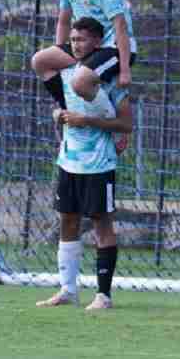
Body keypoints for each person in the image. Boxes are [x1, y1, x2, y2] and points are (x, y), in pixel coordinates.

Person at [36, 17, 132, 311]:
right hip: (69, 161)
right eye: (73, 39)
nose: (76, 44)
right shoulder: (66, 73)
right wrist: (60, 115)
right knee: (68, 219)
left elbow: (126, 125)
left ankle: (103, 295)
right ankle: (67, 289)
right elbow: (45, 71)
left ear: (98, 44)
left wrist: (86, 120)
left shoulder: (109, 80)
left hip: (99, 164)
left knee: (102, 223)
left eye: (82, 40)